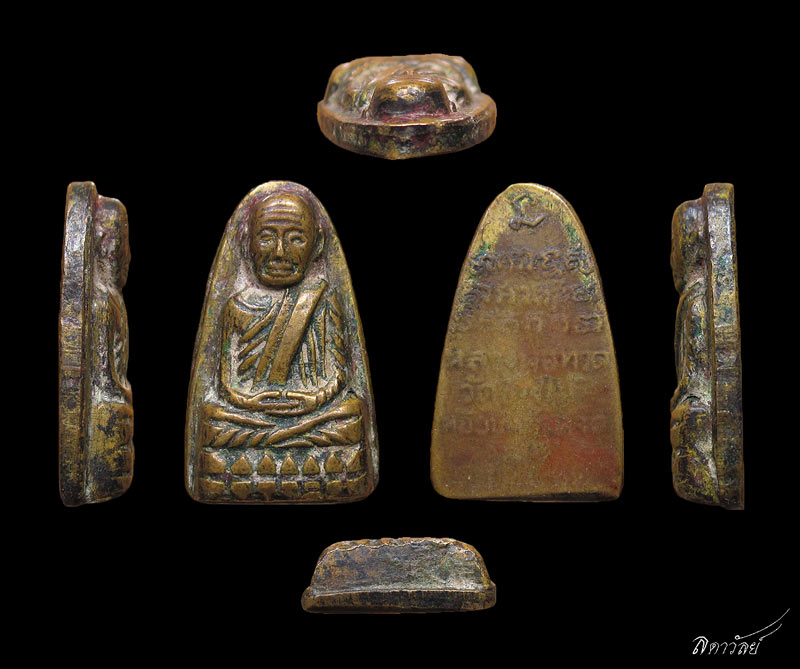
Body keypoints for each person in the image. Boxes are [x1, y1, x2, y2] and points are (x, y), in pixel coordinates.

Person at [199, 191, 363, 452]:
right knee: (212, 418)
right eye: (266, 238)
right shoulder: (236, 306)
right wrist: (251, 403)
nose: (279, 253)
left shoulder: (323, 299)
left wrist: (312, 401)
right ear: (246, 242)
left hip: (313, 412)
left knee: (350, 414)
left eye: (296, 239)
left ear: (317, 244)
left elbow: (339, 377)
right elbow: (225, 385)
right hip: (250, 415)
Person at [669, 198, 718, 505]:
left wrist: (684, 396)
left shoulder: (697, 302)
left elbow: (696, 359)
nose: (671, 258)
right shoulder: (692, 297)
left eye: (675, 248)